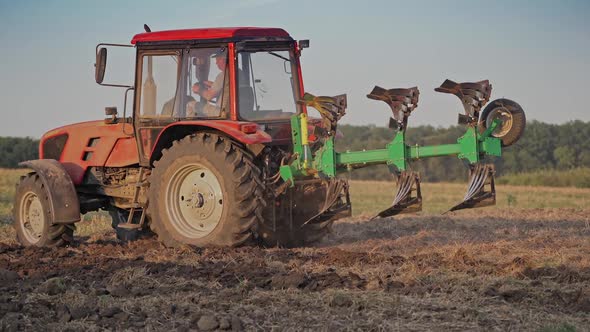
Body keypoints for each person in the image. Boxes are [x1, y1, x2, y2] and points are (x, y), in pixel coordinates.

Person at [190, 50, 229, 117]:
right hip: (227, 110)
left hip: (220, 111)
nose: (216, 63)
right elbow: (225, 87)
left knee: (190, 105)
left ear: (223, 60)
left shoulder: (223, 75)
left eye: (218, 59)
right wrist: (209, 83)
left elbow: (209, 96)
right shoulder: (236, 73)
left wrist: (198, 90)